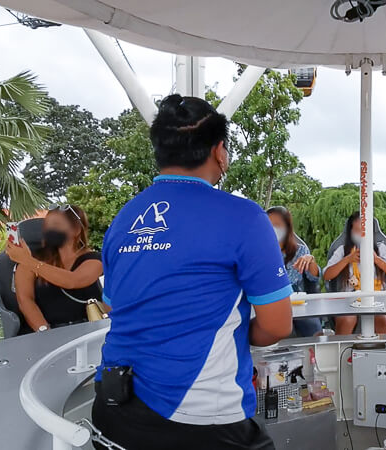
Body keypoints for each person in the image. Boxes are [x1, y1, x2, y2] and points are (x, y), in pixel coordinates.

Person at [92, 94, 292, 450]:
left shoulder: (124, 219)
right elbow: (277, 324)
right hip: (200, 415)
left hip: (113, 408)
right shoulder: (244, 217)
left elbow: (114, 305)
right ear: (219, 152)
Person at [6, 205, 104, 333]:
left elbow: (74, 280)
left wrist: (29, 261)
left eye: (56, 224)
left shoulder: (94, 259)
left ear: (76, 229)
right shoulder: (33, 259)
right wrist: (45, 331)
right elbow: (25, 300)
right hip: (46, 334)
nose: (49, 230)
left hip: (88, 332)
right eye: (47, 225)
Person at [322, 211, 386, 335]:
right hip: (349, 299)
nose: (361, 234)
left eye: (364, 230)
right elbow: (327, 275)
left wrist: (376, 260)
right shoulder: (342, 250)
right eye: (357, 230)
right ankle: (342, 353)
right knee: (347, 319)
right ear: (351, 232)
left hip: (379, 298)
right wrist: (347, 259)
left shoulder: (382, 248)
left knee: (382, 319)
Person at [267, 205, 322, 337]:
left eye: (277, 225)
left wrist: (311, 261)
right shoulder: (259, 252)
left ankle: (315, 357)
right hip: (272, 302)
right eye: (270, 225)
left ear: (287, 227)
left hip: (297, 303)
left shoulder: (300, 250)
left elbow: (314, 278)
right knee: (284, 329)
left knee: (312, 326)